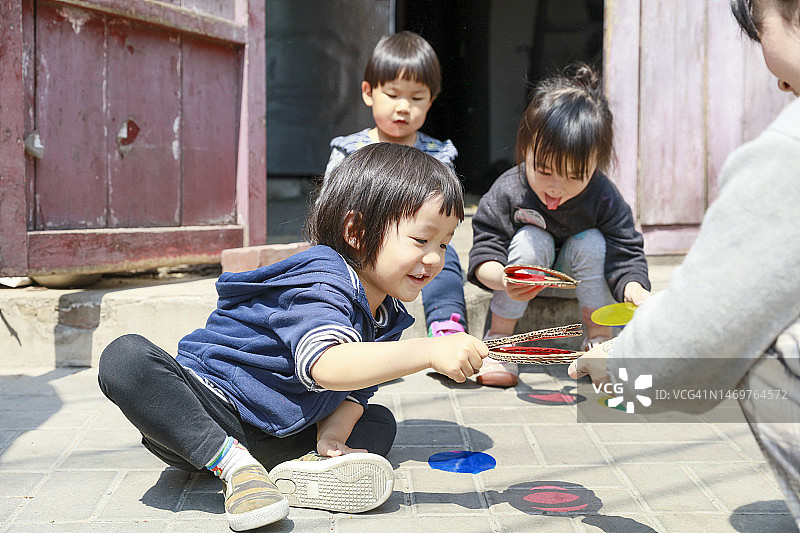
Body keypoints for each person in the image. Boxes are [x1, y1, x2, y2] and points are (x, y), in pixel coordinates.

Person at [98, 143, 489, 531]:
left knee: (378, 424)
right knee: (125, 358)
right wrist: (429, 350)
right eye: (421, 240)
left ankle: (295, 470)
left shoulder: (386, 312)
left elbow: (355, 391)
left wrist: (332, 435)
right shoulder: (320, 279)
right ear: (356, 231)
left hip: (274, 428)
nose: (435, 258)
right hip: (207, 412)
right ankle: (236, 468)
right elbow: (327, 365)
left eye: (444, 243)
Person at [569, 0, 800, 525]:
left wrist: (616, 367)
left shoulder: (788, 152)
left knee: (754, 348)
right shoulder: (510, 195)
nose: (782, 88)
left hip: (630, 341)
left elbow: (686, 355)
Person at [467, 63, 652, 388]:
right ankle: (500, 343)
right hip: (523, 280)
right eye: (545, 170)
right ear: (526, 149)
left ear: (596, 164)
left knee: (593, 242)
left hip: (580, 276)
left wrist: (634, 288)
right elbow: (485, 249)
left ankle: (598, 341)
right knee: (530, 239)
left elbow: (626, 251)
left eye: (574, 176)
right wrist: (503, 278)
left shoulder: (604, 197)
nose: (556, 188)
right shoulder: (510, 189)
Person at [325, 30, 467, 339]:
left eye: (416, 98)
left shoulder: (439, 154)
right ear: (368, 92)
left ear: (431, 100)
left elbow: (445, 214)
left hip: (417, 244)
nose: (404, 107)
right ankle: (348, 335)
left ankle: (447, 326)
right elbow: (331, 206)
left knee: (445, 258)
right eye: (393, 95)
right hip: (363, 243)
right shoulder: (349, 151)